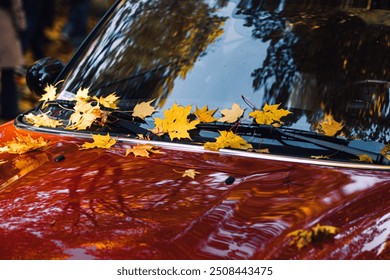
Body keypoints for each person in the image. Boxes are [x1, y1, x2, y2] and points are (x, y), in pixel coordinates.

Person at [0, 0, 26, 120]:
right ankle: (9, 109)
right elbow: (16, 7)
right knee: (8, 73)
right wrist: (21, 24)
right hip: (5, 27)